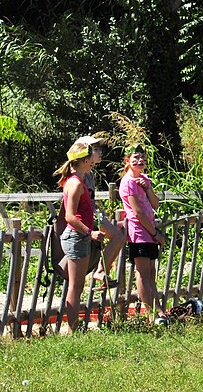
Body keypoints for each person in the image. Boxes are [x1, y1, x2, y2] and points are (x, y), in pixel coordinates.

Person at [55, 136, 104, 331]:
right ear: (85, 161)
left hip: (79, 236)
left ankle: (75, 328)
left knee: (77, 286)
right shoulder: (75, 183)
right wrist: (89, 232)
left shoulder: (80, 180)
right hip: (76, 237)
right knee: (75, 287)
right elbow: (69, 216)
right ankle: (74, 330)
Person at [119, 145, 164, 322]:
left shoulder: (144, 179)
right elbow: (137, 212)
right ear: (127, 161)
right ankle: (151, 314)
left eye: (142, 158)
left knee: (151, 272)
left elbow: (155, 204)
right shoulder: (128, 182)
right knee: (143, 273)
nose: (139, 161)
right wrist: (154, 234)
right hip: (139, 231)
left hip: (149, 230)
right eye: (135, 158)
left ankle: (159, 310)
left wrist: (148, 188)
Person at [81, 137, 124, 285]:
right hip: (87, 214)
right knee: (118, 236)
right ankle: (100, 271)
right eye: (96, 149)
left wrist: (101, 212)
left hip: (94, 212)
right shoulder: (80, 173)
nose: (100, 152)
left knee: (119, 236)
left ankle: (101, 270)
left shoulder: (90, 173)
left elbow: (91, 199)